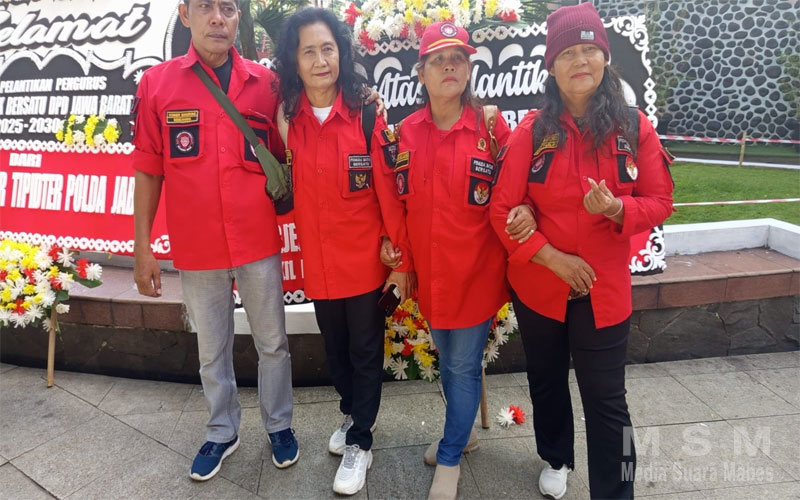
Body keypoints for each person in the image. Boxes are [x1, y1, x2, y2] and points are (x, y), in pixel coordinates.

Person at [489, 3, 675, 499]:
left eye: (589, 50)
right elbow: (501, 209)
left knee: (608, 400)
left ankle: (617, 492)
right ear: (551, 66)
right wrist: (552, 257)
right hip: (540, 285)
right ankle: (556, 457)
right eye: (568, 53)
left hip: (603, 290)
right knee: (546, 381)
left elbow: (660, 201)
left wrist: (617, 209)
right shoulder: (532, 131)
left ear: (605, 58)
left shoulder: (633, 128)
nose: (580, 61)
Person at [132, 0, 299, 482]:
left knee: (273, 343)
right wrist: (143, 247)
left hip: (257, 239)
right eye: (206, 6)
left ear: (238, 17)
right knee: (212, 348)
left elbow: (293, 145)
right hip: (198, 244)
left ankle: (279, 425)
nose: (218, 18)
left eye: (227, 7)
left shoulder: (265, 84)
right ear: (185, 14)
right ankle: (222, 430)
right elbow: (148, 168)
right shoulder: (157, 84)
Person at [383, 21, 535, 500]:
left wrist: (528, 211)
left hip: (476, 274)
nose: (449, 67)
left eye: (458, 59)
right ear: (421, 73)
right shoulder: (407, 132)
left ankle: (450, 456)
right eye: (438, 60)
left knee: (463, 367)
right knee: (449, 363)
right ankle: (464, 433)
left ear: (469, 70)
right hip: (431, 276)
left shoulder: (491, 127)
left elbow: (519, 190)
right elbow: (401, 206)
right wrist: (402, 261)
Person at [273, 8, 413, 496]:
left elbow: (389, 193)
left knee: (365, 351)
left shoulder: (367, 113)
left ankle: (360, 442)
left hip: (365, 263)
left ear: (342, 53)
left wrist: (400, 259)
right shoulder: (287, 117)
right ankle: (351, 412)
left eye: (328, 49)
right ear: (294, 60)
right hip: (319, 263)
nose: (320, 61)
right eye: (309, 51)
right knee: (335, 352)